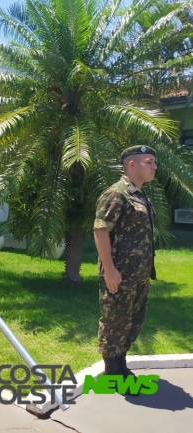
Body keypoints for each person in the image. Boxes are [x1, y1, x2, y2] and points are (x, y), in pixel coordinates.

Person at [93, 145, 157, 391]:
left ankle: (120, 367)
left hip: (138, 276)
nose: (154, 167)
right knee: (115, 322)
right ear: (133, 164)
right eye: (149, 162)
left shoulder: (139, 195)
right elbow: (100, 230)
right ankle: (113, 375)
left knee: (131, 323)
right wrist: (109, 270)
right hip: (119, 274)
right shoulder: (117, 194)